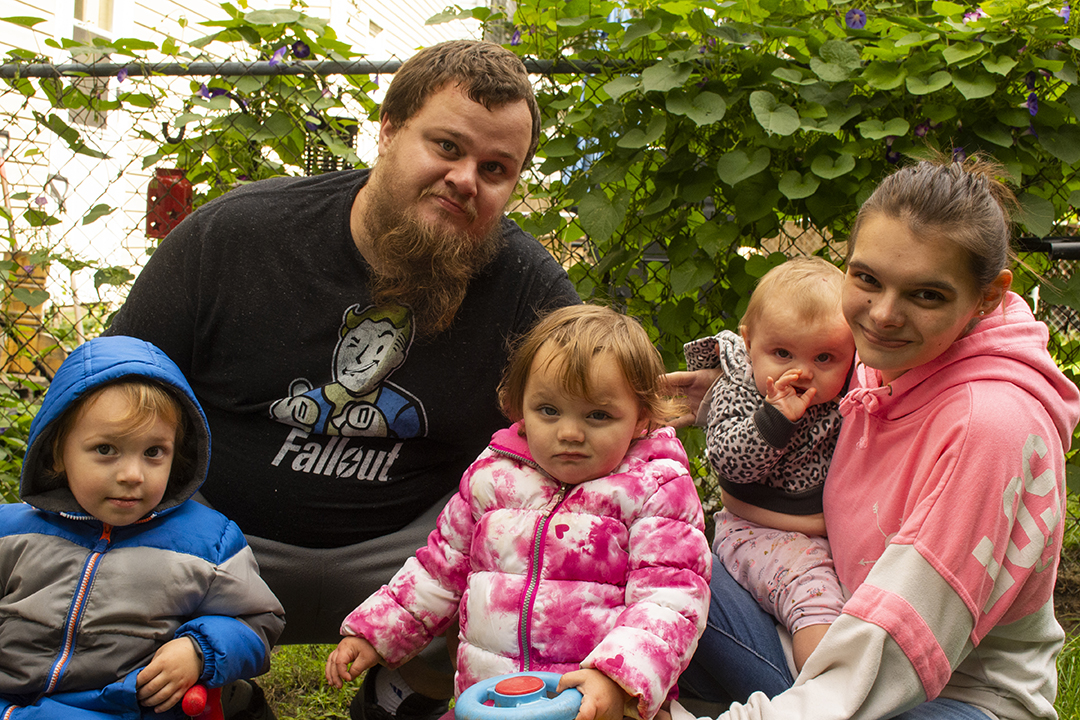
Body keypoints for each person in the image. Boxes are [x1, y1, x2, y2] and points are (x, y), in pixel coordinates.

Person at [104, 39, 580, 719]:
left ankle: (402, 697)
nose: (466, 178)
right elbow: (109, 386)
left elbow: (605, 400)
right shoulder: (236, 236)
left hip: (414, 551)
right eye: (446, 146)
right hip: (215, 533)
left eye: (495, 168)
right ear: (387, 131)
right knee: (89, 614)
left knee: (547, 598)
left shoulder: (526, 284)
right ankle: (222, 700)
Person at [671, 156, 1080, 719]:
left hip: (943, 695)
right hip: (830, 644)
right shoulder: (883, 364)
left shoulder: (991, 428)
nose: (883, 315)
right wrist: (730, 391)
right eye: (867, 279)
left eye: (927, 295)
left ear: (988, 296)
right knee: (652, 549)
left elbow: (894, 654)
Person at [325, 304, 711, 720]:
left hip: (596, 706)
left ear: (641, 418)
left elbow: (670, 602)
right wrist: (375, 631)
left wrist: (617, 676)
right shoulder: (493, 479)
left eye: (598, 415)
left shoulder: (655, 491)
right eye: (548, 410)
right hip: (494, 700)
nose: (569, 432)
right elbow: (438, 570)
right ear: (518, 407)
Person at [0, 335, 285, 719]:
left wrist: (200, 651)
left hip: (124, 709)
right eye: (106, 450)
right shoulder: (12, 531)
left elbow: (259, 622)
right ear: (57, 452)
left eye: (154, 452)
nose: (132, 475)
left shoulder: (207, 544)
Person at [681, 257, 854, 673]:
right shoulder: (741, 389)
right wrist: (774, 420)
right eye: (781, 353)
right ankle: (827, 687)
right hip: (757, 533)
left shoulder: (850, 394)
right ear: (748, 343)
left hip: (824, 534)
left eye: (825, 357)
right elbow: (728, 460)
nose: (801, 372)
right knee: (813, 595)